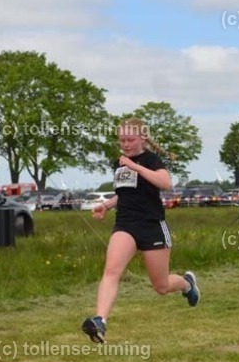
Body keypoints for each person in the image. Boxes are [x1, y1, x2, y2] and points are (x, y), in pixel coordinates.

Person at [80, 118, 200, 344]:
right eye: (122, 140)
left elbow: (165, 183)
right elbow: (127, 193)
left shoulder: (151, 160)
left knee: (161, 286)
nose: (125, 144)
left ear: (142, 138)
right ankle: (100, 321)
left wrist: (135, 166)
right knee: (111, 271)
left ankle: (187, 284)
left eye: (130, 140)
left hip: (152, 225)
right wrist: (105, 205)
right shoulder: (118, 162)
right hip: (125, 224)